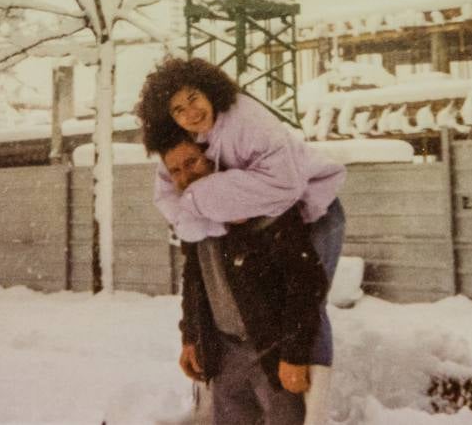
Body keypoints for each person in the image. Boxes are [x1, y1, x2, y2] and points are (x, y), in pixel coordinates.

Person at [136, 57, 346, 422]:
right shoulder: (192, 148)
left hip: (316, 205)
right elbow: (173, 206)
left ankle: (312, 402)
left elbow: (287, 191)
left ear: (210, 91)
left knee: (310, 300)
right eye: (178, 109)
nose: (190, 113)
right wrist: (192, 336)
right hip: (259, 207)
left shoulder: (248, 122)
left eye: (193, 98)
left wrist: (293, 355)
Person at [161, 134, 327, 425]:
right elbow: (195, 279)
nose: (185, 176)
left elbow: (305, 281)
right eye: (175, 170)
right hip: (225, 354)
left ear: (212, 159)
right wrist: (191, 336)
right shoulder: (193, 218)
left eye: (192, 162)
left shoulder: (260, 203)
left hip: (272, 353)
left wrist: (294, 354)